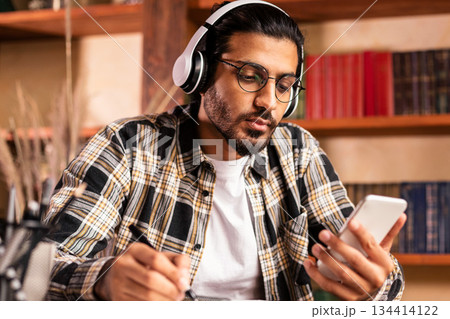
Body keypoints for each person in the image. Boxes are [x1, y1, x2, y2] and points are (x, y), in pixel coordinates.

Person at [43, 0, 406, 301]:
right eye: (250, 76)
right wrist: (105, 280)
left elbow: (369, 269)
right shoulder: (128, 146)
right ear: (198, 74)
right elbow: (41, 267)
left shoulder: (299, 153)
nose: (269, 102)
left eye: (284, 85)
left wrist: (377, 284)